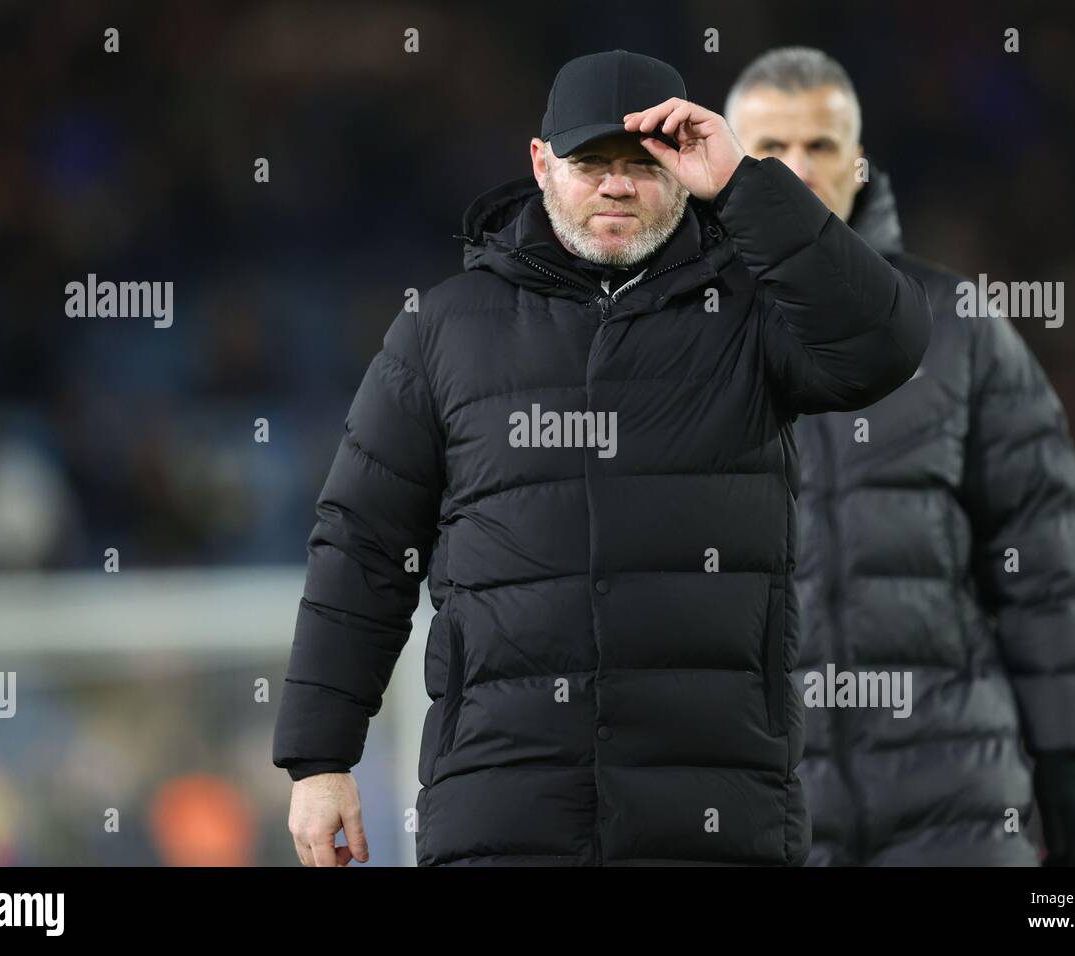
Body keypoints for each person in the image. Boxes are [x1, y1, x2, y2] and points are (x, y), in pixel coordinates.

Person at [273, 48, 931, 866]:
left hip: (717, 809)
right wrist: (320, 756)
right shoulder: (440, 331)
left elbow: (889, 345)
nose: (618, 185)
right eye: (592, 163)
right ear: (542, 164)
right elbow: (362, 545)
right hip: (502, 803)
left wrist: (745, 185)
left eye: (645, 163)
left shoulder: (753, 310)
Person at [725, 46, 1075, 866]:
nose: (797, 170)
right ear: (723, 166)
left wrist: (1065, 753)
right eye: (769, 151)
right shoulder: (687, 341)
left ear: (858, 161)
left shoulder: (961, 329)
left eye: (820, 145)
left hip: (958, 804)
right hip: (764, 814)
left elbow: (1041, 553)